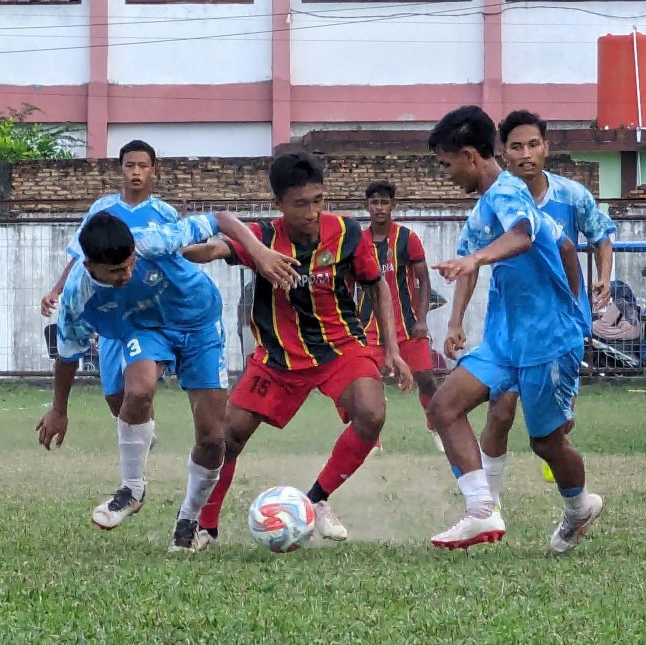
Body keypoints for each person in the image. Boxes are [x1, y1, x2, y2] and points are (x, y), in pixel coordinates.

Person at [182, 152, 414, 548]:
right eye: (300, 204)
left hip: (340, 347)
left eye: (318, 200)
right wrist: (174, 249)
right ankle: (205, 526)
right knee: (226, 438)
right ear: (279, 204)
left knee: (372, 413)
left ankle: (317, 500)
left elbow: (377, 284)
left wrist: (392, 349)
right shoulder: (263, 239)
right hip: (277, 358)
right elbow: (215, 250)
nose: (311, 212)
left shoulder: (346, 232)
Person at [35, 209, 298, 553]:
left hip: (199, 323)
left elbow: (220, 219)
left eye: (130, 264)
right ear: (89, 267)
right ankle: (132, 489)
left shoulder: (154, 241)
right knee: (139, 389)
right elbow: (67, 355)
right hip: (146, 328)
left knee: (212, 438)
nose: (126, 274)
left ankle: (188, 520)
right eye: (115, 271)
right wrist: (59, 409)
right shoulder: (77, 297)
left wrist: (259, 253)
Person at [426, 106, 603, 554]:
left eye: (447, 165)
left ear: (469, 155)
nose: (446, 174)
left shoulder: (507, 194)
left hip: (546, 340)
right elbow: (561, 244)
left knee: (546, 442)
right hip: (505, 338)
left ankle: (580, 506)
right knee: (445, 406)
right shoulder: (487, 205)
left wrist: (573, 317)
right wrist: (456, 314)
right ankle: (481, 512)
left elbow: (523, 236)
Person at [465, 110, 617, 499]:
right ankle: (488, 506)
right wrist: (456, 322)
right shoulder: (498, 199)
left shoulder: (571, 195)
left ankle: (567, 477)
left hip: (559, 324)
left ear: (546, 147)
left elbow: (600, 236)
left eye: (533, 144)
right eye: (516, 146)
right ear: (504, 152)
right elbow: (472, 257)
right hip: (509, 324)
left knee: (552, 431)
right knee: (499, 411)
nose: (526, 153)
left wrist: (603, 276)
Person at [40, 140, 176, 449]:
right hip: (109, 311)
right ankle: (144, 439)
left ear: (153, 170)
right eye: (130, 166)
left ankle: (139, 454)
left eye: (142, 166)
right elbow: (81, 255)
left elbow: (175, 261)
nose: (136, 172)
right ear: (121, 169)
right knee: (116, 395)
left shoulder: (165, 214)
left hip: (147, 314)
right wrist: (57, 288)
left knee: (138, 388)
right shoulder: (102, 209)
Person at [358, 180, 443, 453]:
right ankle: (372, 440)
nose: (379, 207)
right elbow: (346, 283)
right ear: (367, 206)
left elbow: (423, 281)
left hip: (406, 326)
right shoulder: (357, 241)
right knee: (366, 383)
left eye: (384, 202)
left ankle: (436, 424)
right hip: (369, 327)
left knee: (427, 379)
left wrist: (421, 319)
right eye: (374, 202)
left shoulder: (407, 238)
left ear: (393, 205)